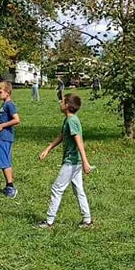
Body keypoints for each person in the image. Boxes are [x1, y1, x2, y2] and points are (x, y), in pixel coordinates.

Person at [37, 94, 93, 229]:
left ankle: (49, 222)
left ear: (67, 105)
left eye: (62, 101)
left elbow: (79, 141)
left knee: (57, 189)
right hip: (74, 161)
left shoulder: (72, 121)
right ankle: (87, 220)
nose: (60, 103)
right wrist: (48, 149)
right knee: (78, 190)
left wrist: (85, 161)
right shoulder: (68, 120)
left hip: (71, 162)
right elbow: (62, 136)